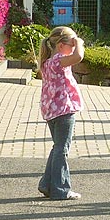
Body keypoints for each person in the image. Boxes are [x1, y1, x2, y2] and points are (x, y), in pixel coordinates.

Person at [37, 26, 85, 201]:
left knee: (57, 147)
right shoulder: (58, 60)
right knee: (62, 149)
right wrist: (79, 43)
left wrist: (74, 41)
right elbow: (79, 56)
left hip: (52, 110)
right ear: (60, 45)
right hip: (64, 109)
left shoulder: (47, 62)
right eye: (71, 43)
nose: (73, 46)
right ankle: (60, 189)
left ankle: (46, 184)